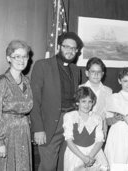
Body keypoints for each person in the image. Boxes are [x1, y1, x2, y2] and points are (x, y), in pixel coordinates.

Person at [30, 32, 83, 171]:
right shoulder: (42, 65)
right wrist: (38, 128)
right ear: (59, 46)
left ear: (77, 51)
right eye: (67, 46)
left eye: (74, 48)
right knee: (48, 166)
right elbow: (34, 100)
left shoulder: (76, 70)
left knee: (65, 164)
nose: (70, 51)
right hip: (49, 124)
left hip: (70, 122)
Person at [0, 40, 33, 171]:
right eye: (17, 56)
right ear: (8, 58)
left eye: (25, 56)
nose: (21, 60)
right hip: (3, 135)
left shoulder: (27, 82)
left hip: (22, 134)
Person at [63, 86, 109, 171]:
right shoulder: (70, 116)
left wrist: (90, 157)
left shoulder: (97, 118)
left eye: (90, 102)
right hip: (76, 154)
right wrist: (84, 158)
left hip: (93, 153)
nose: (87, 105)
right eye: (83, 101)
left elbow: (100, 140)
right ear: (77, 102)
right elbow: (69, 141)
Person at [79, 57, 112, 136]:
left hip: (100, 132)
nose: (96, 74)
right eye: (93, 71)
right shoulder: (80, 89)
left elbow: (109, 115)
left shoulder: (108, 91)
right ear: (87, 73)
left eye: (99, 72)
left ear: (103, 74)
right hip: (81, 131)